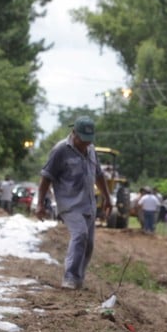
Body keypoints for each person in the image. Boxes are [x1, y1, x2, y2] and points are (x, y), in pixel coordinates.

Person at [36, 116, 112, 290]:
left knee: (89, 244)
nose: (85, 144)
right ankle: (70, 276)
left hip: (89, 204)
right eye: (82, 140)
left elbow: (99, 175)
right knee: (80, 235)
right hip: (69, 204)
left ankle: (78, 278)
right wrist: (40, 203)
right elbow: (46, 178)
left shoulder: (91, 150)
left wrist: (108, 198)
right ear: (74, 133)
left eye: (88, 141)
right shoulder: (60, 150)